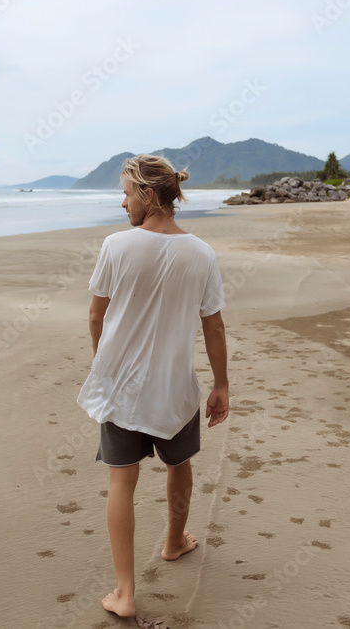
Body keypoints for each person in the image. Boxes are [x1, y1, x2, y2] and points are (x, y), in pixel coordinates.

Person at [76, 154, 230, 618]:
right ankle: (173, 541)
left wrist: (105, 362)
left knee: (122, 480)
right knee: (179, 463)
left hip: (122, 387)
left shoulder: (116, 246)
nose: (122, 203)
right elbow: (214, 326)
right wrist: (221, 384)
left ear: (148, 195)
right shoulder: (201, 252)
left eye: (126, 193)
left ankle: (124, 593)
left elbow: (95, 315)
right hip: (174, 387)